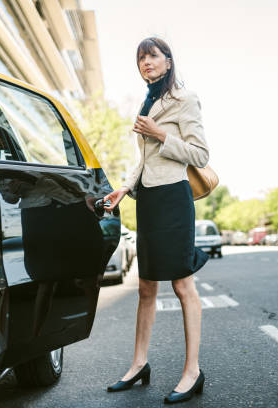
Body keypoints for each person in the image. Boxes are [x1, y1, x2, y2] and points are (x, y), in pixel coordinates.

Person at [103, 37, 210, 404]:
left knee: (183, 287)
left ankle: (192, 371)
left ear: (168, 61)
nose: (145, 62)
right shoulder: (147, 101)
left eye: (152, 56)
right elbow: (144, 159)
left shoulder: (186, 99)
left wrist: (161, 133)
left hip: (174, 201)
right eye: (140, 58)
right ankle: (138, 364)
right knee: (146, 287)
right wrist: (123, 188)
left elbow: (199, 152)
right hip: (147, 200)